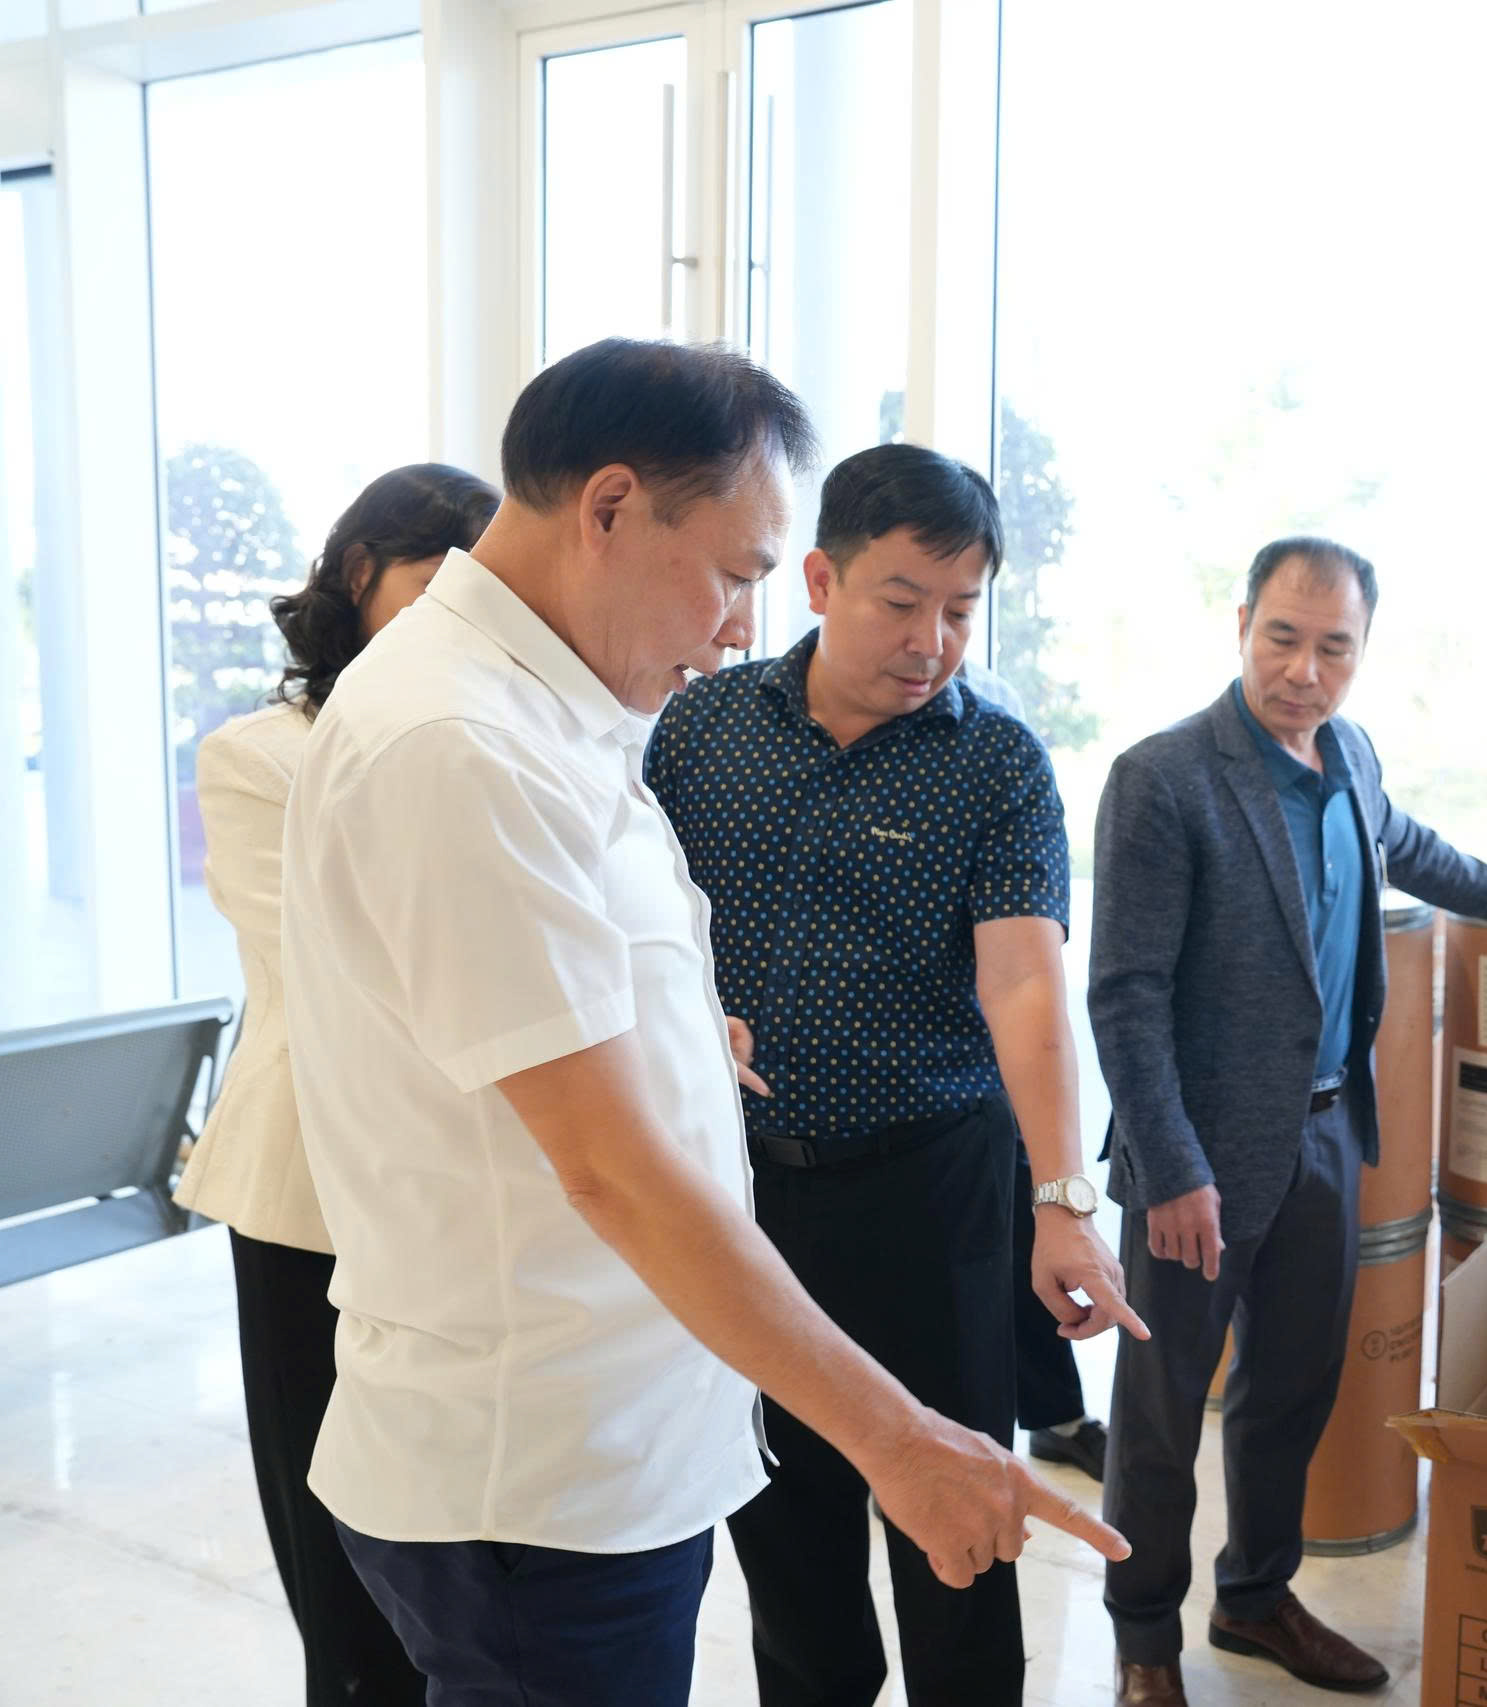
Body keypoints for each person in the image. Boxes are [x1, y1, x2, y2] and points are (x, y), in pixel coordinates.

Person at [280, 340, 1125, 1707]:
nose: (738, 625)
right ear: (611, 507)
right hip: (539, 1476)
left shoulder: (553, 709)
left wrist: (680, 1034)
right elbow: (607, 1167)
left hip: (635, 1413)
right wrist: (899, 1440)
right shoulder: (464, 744)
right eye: (735, 574)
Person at [644, 441, 1142, 1707]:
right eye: (902, 602)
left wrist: (1063, 1202)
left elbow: (1024, 987)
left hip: (932, 1197)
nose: (932, 643)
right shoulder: (702, 727)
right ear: (820, 580)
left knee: (961, 1514)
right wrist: (686, 1018)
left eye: (961, 611)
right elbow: (636, 914)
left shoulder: (996, 762)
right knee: (781, 1516)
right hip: (742, 1190)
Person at [1089, 537, 1487, 1707]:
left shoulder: (1349, 753)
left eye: (1334, 649)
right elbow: (1126, 994)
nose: (1304, 672)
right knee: (1161, 1416)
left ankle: (1255, 1598)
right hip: (1195, 1159)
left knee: (1292, 1389)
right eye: (1282, 638)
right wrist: (1171, 1168)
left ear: (1361, 653)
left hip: (1323, 1136)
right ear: (1241, 624)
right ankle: (1143, 1639)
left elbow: (1402, 845)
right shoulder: (1163, 778)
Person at [175, 462, 498, 1707]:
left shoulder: (493, 744)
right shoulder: (260, 755)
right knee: (337, 1557)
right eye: (431, 583)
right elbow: (341, 966)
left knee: (449, 1549)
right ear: (356, 576)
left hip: (460, 1196)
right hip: (307, 1190)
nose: (457, 615)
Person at [958, 654, 1112, 1481]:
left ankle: (1057, 1416)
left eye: (958, 606)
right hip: (920, 1071)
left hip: (1000, 1053)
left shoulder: (996, 711)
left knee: (1030, 1226)